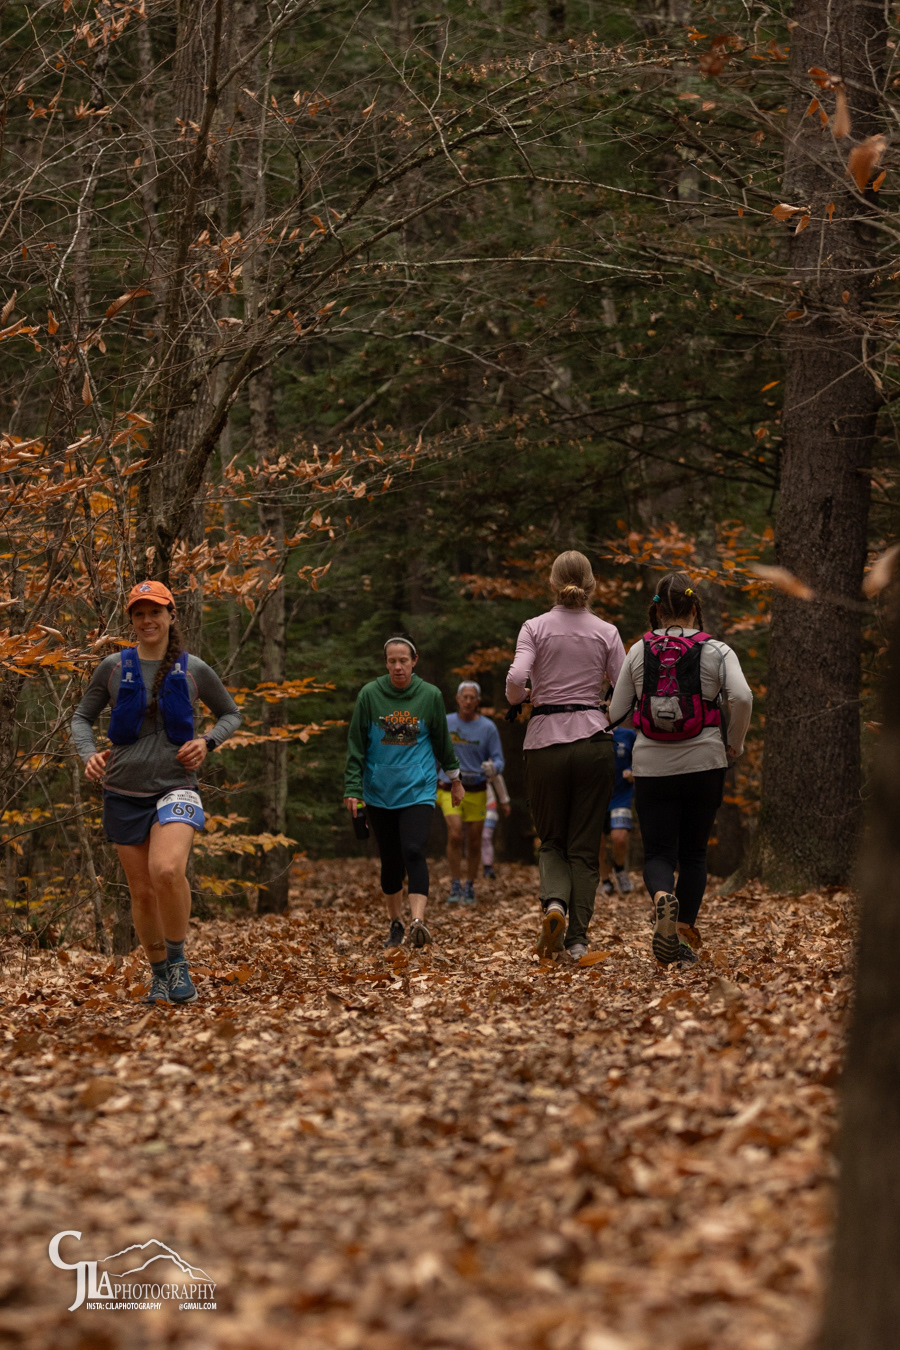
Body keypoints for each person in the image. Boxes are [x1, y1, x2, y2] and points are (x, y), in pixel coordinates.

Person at [71, 580, 242, 1005]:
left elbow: (231, 713)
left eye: (155, 612)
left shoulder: (193, 668)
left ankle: (179, 962)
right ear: (132, 620)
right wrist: (88, 754)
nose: (147, 620)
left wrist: (207, 742)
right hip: (122, 789)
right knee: (142, 891)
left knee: (166, 871)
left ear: (171, 616)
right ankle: (160, 974)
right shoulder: (113, 666)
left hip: (176, 786)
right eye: (139, 613)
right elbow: (80, 718)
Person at [607, 571, 753, 966]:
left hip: (651, 765)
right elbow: (742, 697)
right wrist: (735, 742)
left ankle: (661, 898)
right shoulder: (717, 650)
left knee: (658, 852)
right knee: (693, 853)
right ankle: (682, 931)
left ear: (656, 610)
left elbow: (616, 712)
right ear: (694, 607)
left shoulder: (638, 651)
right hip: (705, 761)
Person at [506, 550, 625, 962]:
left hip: (544, 744)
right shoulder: (606, 631)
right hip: (593, 743)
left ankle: (554, 904)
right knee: (585, 846)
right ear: (592, 584)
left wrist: (522, 697)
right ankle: (577, 941)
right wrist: (605, 710)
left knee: (552, 841)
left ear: (552, 584)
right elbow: (626, 690)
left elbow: (516, 678)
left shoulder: (534, 627)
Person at [343, 634, 463, 949]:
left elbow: (442, 741)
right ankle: (395, 922)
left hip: (418, 789)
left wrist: (455, 779)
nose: (398, 667)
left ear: (414, 661)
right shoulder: (369, 695)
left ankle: (418, 922)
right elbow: (356, 745)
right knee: (391, 860)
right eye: (392, 661)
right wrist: (353, 787)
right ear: (386, 664)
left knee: (413, 850)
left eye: (403, 661)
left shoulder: (430, 695)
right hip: (379, 791)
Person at [436, 681, 505, 903]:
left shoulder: (488, 728)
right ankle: (455, 883)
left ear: (477, 701)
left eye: (471, 697)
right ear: (457, 699)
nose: (467, 701)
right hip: (448, 787)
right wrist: (429, 779)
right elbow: (434, 753)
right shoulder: (446, 722)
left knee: (475, 841)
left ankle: (470, 886)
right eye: (464, 697)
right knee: (455, 833)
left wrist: (493, 767)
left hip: (476, 788)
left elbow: (499, 759)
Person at [599, 726, 637, 895]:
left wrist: (633, 771)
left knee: (619, 838)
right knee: (597, 842)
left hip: (621, 796)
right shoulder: (589, 732)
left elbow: (640, 759)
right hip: (596, 797)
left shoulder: (628, 735)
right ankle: (605, 880)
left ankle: (620, 870)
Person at [481, 776, 511, 879]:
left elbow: (498, 778)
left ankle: (487, 867)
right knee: (470, 836)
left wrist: (504, 801)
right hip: (467, 802)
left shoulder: (491, 765)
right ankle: (471, 869)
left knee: (486, 836)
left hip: (488, 802)